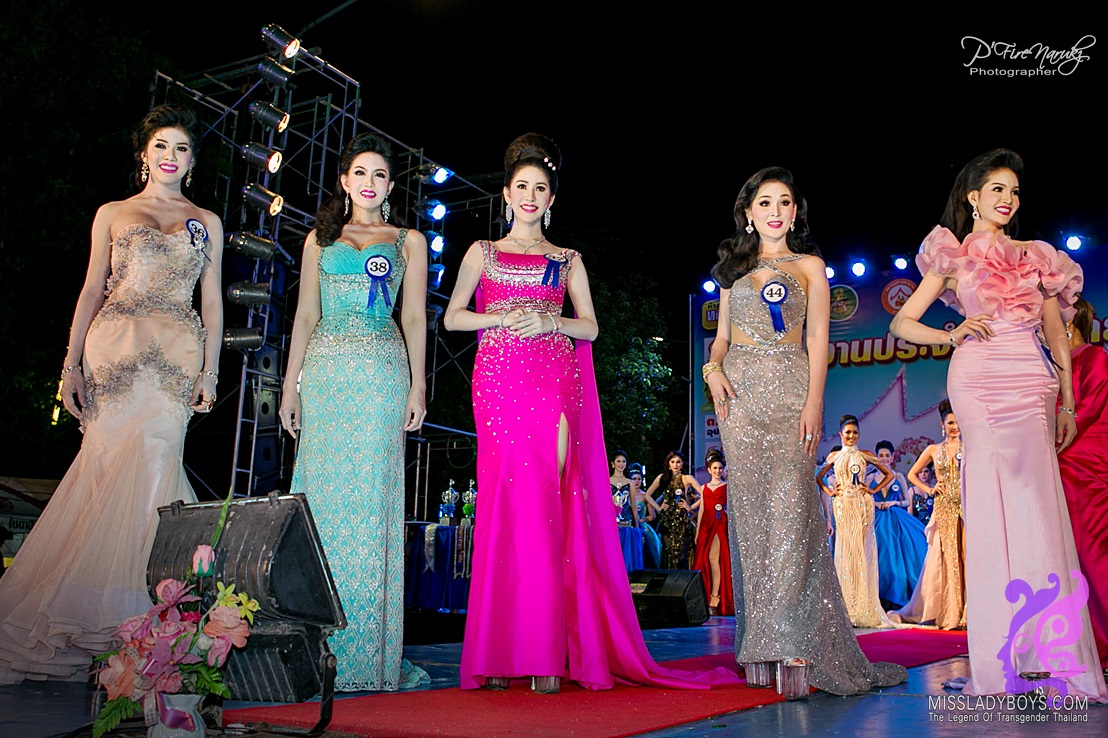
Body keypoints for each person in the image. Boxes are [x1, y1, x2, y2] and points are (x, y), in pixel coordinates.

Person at [445, 133, 737, 694]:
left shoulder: (567, 259)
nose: (530, 196)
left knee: (548, 505)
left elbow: (592, 327)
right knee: (507, 507)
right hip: (500, 385)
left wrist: (550, 322)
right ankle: (500, 650)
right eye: (522, 187)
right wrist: (500, 319)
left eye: (541, 189)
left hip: (553, 381)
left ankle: (545, 649)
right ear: (506, 194)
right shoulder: (482, 252)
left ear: (552, 199)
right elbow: (453, 317)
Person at [0, 105, 222, 684]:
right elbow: (91, 288)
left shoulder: (206, 221)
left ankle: (141, 628)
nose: (170, 157)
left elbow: (213, 300)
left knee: (157, 470)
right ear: (144, 154)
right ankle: (84, 621)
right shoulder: (113, 213)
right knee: (102, 475)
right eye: (161, 146)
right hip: (115, 351)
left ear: (192, 162)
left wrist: (211, 372)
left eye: (181, 148)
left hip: (176, 358)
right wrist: (70, 364)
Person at [889, 148, 1106, 699]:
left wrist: (1067, 403)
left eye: (1014, 191)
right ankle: (1000, 659)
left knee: (1037, 510)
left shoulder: (1038, 256)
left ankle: (1047, 653)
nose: (1008, 199)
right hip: (979, 379)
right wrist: (952, 333)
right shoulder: (952, 255)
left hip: (1031, 380)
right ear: (973, 197)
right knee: (990, 510)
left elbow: (1057, 335)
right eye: (997, 190)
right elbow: (902, 323)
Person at [705, 166, 905, 696]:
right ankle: (759, 643)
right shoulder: (731, 271)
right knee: (751, 518)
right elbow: (721, 338)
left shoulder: (812, 265)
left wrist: (815, 402)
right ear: (748, 213)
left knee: (793, 513)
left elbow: (818, 339)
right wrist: (712, 369)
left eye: (784, 202)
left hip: (793, 390)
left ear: (795, 212)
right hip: (739, 397)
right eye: (764, 202)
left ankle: (794, 640)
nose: (775, 211)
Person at [279, 132, 429, 692]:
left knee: (372, 501)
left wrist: (417, 387)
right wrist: (291, 387)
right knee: (320, 502)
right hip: (326, 376)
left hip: (382, 375)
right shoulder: (319, 240)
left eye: (380, 175)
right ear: (344, 181)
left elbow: (414, 318)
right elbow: (304, 316)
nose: (369, 183)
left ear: (390, 187)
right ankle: (312, 652)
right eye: (360, 173)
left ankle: (368, 655)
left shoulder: (410, 241)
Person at [1058, 298, 1108, 668]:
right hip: (1060, 460)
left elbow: (1088, 408)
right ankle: (1082, 641)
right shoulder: (1055, 363)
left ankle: (1102, 641)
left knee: (1093, 553)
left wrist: (1054, 434)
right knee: (1070, 556)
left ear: (1071, 321)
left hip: (1085, 464)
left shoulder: (1094, 357)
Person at [890, 401, 966, 629]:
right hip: (944, 508)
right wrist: (930, 489)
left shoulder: (969, 447)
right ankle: (950, 612)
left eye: (957, 422)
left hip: (967, 506)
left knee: (966, 557)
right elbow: (912, 474)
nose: (954, 427)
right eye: (950, 423)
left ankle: (968, 611)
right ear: (942, 425)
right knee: (948, 557)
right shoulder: (934, 449)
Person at [817, 415, 896, 628]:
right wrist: (830, 492)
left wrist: (872, 490)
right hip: (843, 505)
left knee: (862, 549)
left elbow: (889, 475)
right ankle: (847, 606)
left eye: (855, 432)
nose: (851, 436)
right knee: (846, 550)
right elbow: (819, 477)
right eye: (848, 432)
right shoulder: (834, 456)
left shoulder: (865, 455)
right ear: (840, 434)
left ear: (859, 434)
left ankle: (863, 605)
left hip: (862, 505)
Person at [867, 440, 927, 609]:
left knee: (901, 553)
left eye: (887, 455)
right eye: (881, 455)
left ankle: (898, 596)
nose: (884, 458)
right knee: (880, 554)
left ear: (892, 457)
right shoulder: (870, 478)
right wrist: (876, 504)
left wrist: (894, 503)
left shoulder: (898, 476)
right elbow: (865, 499)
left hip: (895, 517)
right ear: (876, 457)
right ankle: (878, 597)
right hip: (877, 518)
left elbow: (907, 501)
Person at [690, 449, 733, 615]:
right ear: (709, 470)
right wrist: (697, 532)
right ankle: (706, 597)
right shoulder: (704, 488)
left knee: (714, 559)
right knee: (704, 561)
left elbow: (730, 507)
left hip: (719, 524)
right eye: (714, 468)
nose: (717, 471)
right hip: (706, 526)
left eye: (720, 468)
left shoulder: (727, 486)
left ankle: (715, 597)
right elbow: (701, 510)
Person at [645, 451, 701, 569]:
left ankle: (682, 579)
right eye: (672, 462)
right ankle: (669, 580)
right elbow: (647, 495)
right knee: (668, 553)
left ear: (682, 463)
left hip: (682, 521)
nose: (675, 465)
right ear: (669, 464)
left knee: (682, 555)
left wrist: (690, 507)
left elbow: (704, 494)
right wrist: (658, 508)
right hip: (667, 521)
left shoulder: (687, 478)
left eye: (678, 462)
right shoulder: (662, 478)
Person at [629, 463, 662, 568]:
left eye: (639, 479)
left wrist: (642, 520)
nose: (637, 481)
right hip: (628, 525)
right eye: (634, 479)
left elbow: (652, 516)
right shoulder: (625, 494)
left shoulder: (645, 496)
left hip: (642, 526)